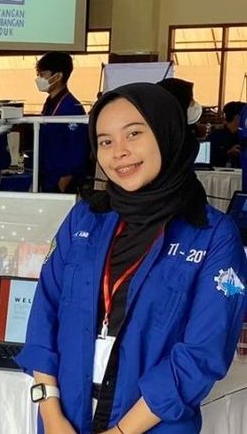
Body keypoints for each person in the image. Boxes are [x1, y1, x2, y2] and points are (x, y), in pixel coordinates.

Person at [16, 83, 247, 433]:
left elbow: (202, 353)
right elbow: (44, 314)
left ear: (166, 133)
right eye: (105, 141)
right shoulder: (84, 220)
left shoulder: (213, 235)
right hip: (65, 419)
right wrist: (51, 415)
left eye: (134, 134)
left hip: (151, 425)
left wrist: (122, 432)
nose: (119, 152)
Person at [35, 52, 89, 193]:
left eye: (42, 74)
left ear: (58, 76)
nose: (39, 79)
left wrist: (67, 177)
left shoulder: (72, 107)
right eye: (38, 74)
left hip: (62, 180)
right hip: (47, 175)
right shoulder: (49, 103)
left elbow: (79, 147)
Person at [208, 101, 244, 168]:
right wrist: (227, 153)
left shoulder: (244, 136)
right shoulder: (215, 136)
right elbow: (208, 160)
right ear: (237, 117)